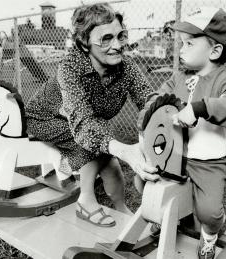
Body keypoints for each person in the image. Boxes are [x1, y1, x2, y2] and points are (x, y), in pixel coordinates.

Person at [26, 3, 158, 228]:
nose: (117, 46)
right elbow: (82, 124)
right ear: (84, 43)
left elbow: (149, 98)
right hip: (44, 119)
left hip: (84, 122)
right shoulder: (70, 68)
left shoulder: (126, 67)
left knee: (109, 158)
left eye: (120, 36)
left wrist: (167, 114)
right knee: (93, 142)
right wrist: (126, 150)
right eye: (105, 39)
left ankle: (121, 208)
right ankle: (85, 201)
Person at [143, 7, 226, 259]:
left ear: (214, 50)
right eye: (181, 43)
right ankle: (165, 218)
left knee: (208, 212)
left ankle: (211, 233)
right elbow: (156, 99)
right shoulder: (179, 77)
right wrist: (149, 113)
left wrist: (200, 108)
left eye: (189, 43)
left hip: (207, 161)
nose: (182, 49)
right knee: (145, 185)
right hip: (173, 154)